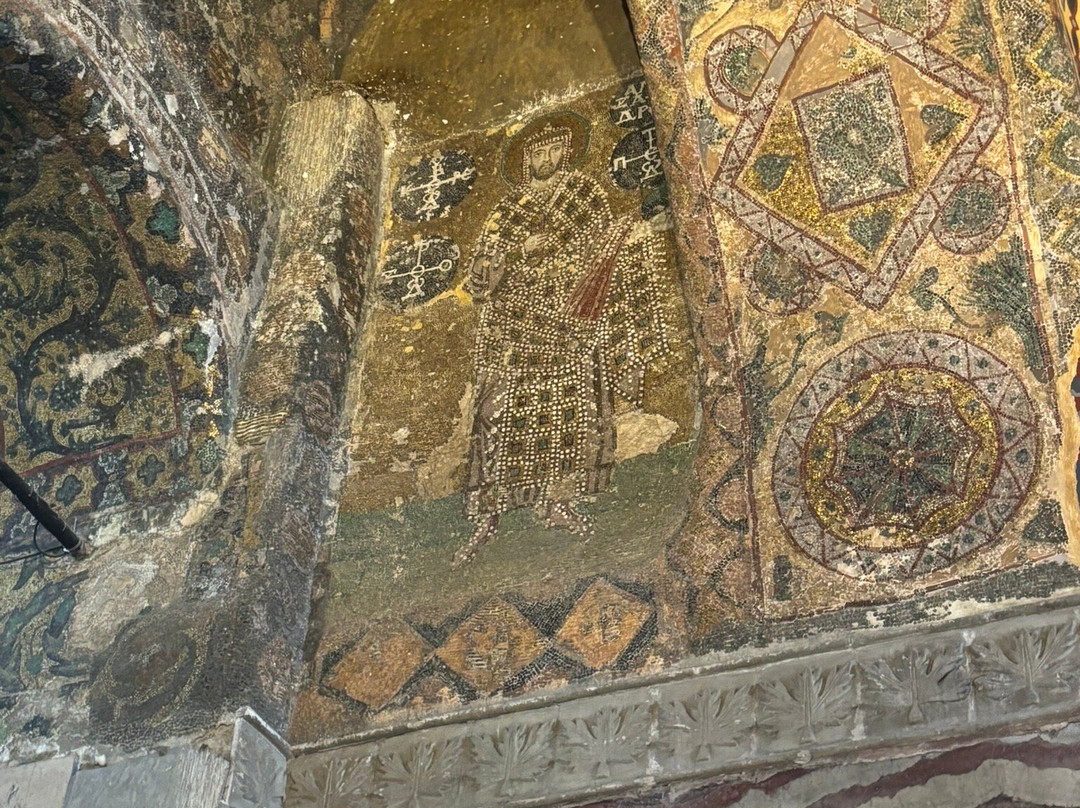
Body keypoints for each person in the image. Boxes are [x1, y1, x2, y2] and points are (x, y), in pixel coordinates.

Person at [453, 112, 669, 566]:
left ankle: (558, 503)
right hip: (513, 331)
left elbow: (601, 250)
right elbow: (479, 279)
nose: (547, 158)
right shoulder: (507, 210)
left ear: (568, 153)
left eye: (555, 149)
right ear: (525, 158)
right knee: (496, 415)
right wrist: (517, 250)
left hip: (569, 326)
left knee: (570, 413)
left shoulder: (583, 195)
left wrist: (628, 238)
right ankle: (489, 514)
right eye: (539, 152)